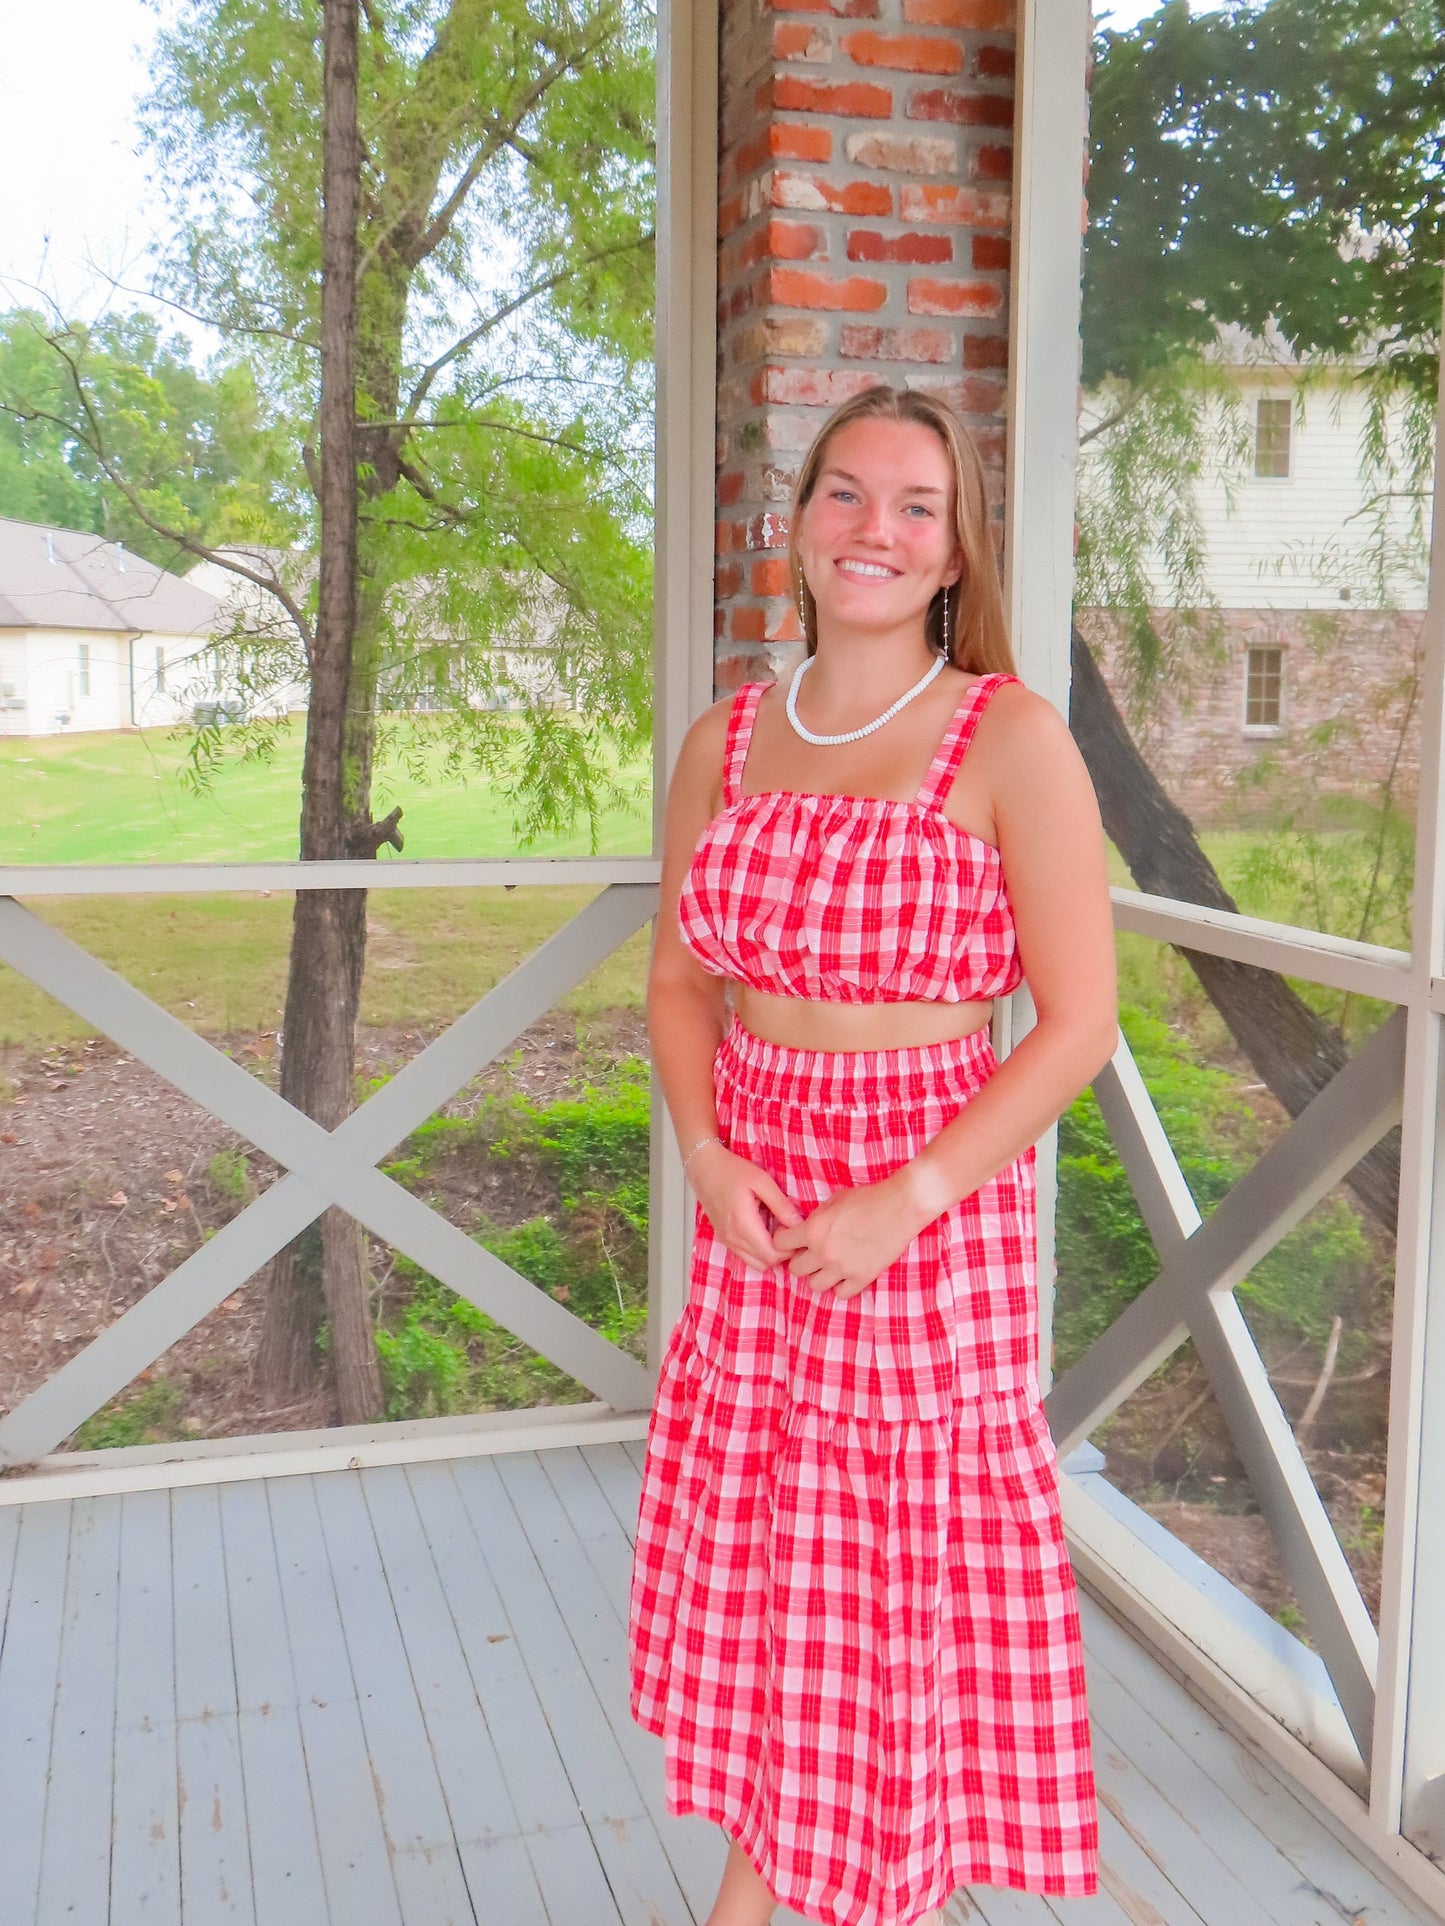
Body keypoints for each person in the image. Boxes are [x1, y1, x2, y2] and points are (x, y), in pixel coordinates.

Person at [628, 384, 1117, 1926]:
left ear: (954, 549)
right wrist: (704, 1154)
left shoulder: (1007, 738)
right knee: (782, 1562)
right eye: (845, 494)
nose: (875, 530)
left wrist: (901, 1201)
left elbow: (1076, 1027)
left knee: (882, 1587)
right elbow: (678, 981)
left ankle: (816, 1898)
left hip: (920, 1205)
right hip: (759, 1198)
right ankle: (760, 1891)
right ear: (797, 523)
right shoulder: (728, 737)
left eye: (914, 505)